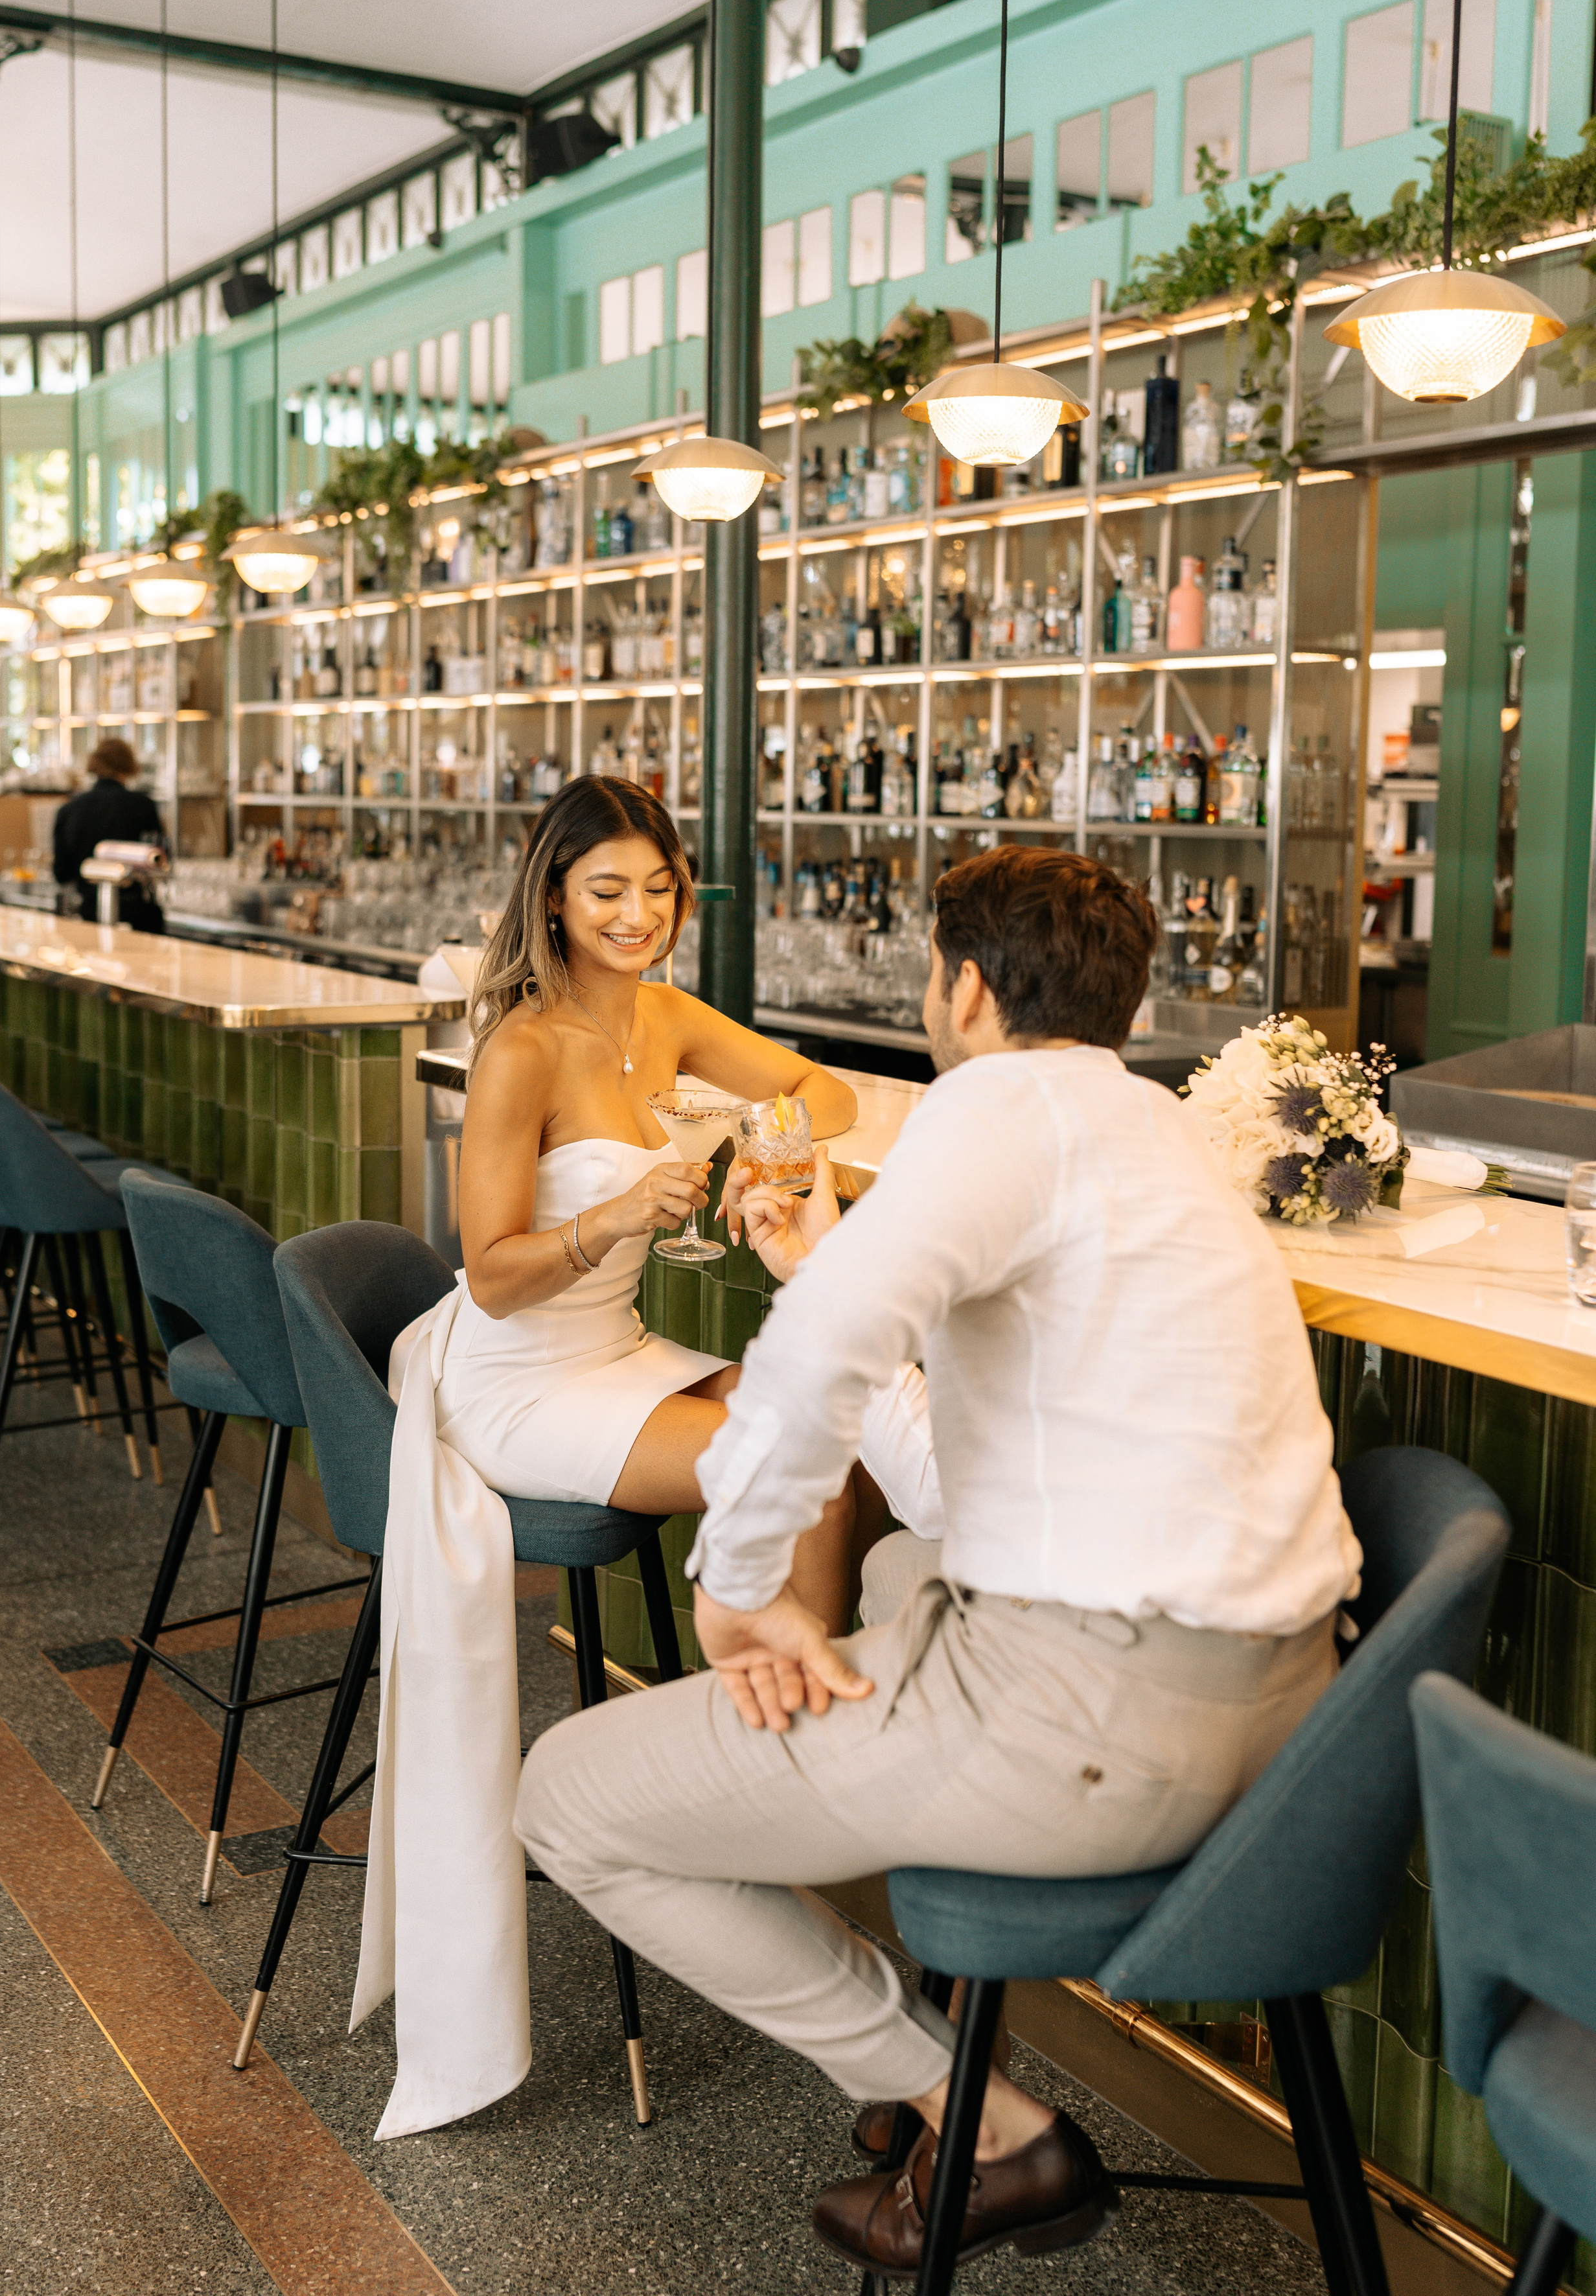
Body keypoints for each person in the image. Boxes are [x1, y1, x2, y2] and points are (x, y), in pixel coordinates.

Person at [515, 842, 1364, 2279]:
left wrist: (733, 1590)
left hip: (1093, 1736)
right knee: (911, 1573)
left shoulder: (986, 1119)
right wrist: (818, 1265)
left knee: (565, 1798)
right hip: (1296, 1727)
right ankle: (934, 2081)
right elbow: (975, 1473)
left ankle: (972, 2122)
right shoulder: (1157, 1133)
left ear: (963, 987)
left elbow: (819, 1362)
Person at [354, 774, 926, 2139]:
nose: (638, 916)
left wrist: (754, 1145)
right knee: (783, 1444)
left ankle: (786, 1715)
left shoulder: (661, 1016)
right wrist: (620, 1212)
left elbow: (823, 1094)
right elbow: (491, 1278)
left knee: (825, 1428)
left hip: (616, 1356)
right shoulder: (522, 1050)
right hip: (515, 1380)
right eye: (606, 890)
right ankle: (789, 1732)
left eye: (658, 889)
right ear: (552, 893)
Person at [51, 739, 168, 931]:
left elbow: (61, 873)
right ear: (129, 766)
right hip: (138, 915)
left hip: (89, 912)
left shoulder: (69, 810)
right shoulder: (143, 806)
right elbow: (158, 862)